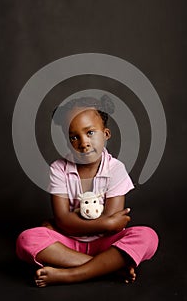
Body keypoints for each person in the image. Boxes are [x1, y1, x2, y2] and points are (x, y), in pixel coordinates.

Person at [16, 95, 159, 287]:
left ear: (106, 134)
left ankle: (71, 274)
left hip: (107, 244)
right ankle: (110, 268)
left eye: (90, 133)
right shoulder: (59, 169)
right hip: (68, 242)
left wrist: (74, 221)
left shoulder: (115, 169)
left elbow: (113, 225)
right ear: (67, 141)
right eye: (74, 137)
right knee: (26, 239)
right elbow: (65, 221)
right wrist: (101, 223)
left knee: (148, 237)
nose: (83, 143)